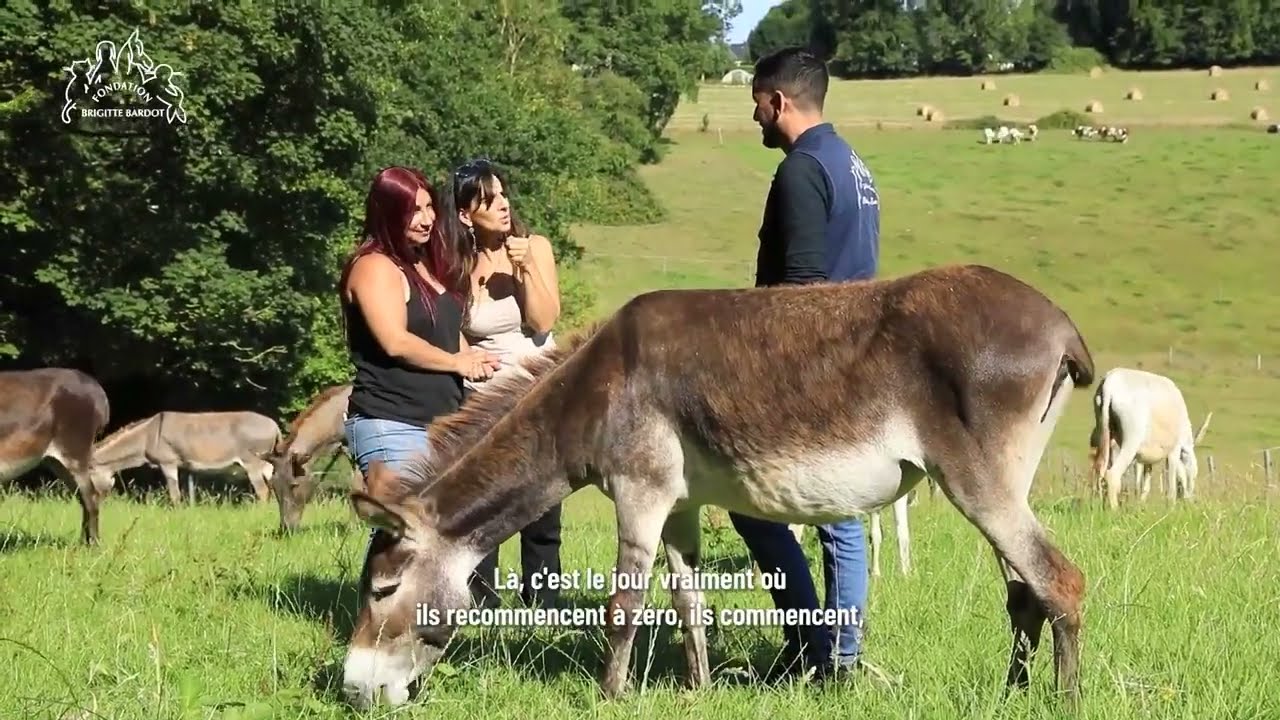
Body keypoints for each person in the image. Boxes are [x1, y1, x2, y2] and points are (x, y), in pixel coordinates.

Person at [734, 46, 882, 682]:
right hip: (854, 357)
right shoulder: (851, 162)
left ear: (779, 102)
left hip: (811, 365)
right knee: (820, 511)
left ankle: (823, 653)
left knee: (776, 505)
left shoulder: (801, 170)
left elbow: (803, 294)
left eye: (757, 106)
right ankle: (830, 651)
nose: (755, 118)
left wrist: (767, 377)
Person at [450, 158, 564, 610]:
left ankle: (544, 604)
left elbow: (544, 320)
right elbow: (454, 332)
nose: (503, 204)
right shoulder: (456, 266)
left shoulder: (535, 247)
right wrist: (465, 361)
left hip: (539, 395)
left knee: (542, 508)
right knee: (487, 505)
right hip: (486, 401)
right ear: (465, 215)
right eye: (489, 199)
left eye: (503, 194)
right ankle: (483, 605)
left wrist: (525, 269)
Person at [338, 165, 501, 481]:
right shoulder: (374, 266)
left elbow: (444, 328)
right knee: (403, 515)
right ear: (388, 213)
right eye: (414, 211)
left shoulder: (422, 263)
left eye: (429, 207)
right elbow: (395, 342)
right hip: (393, 424)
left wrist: (470, 358)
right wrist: (456, 363)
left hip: (440, 425)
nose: (427, 219)